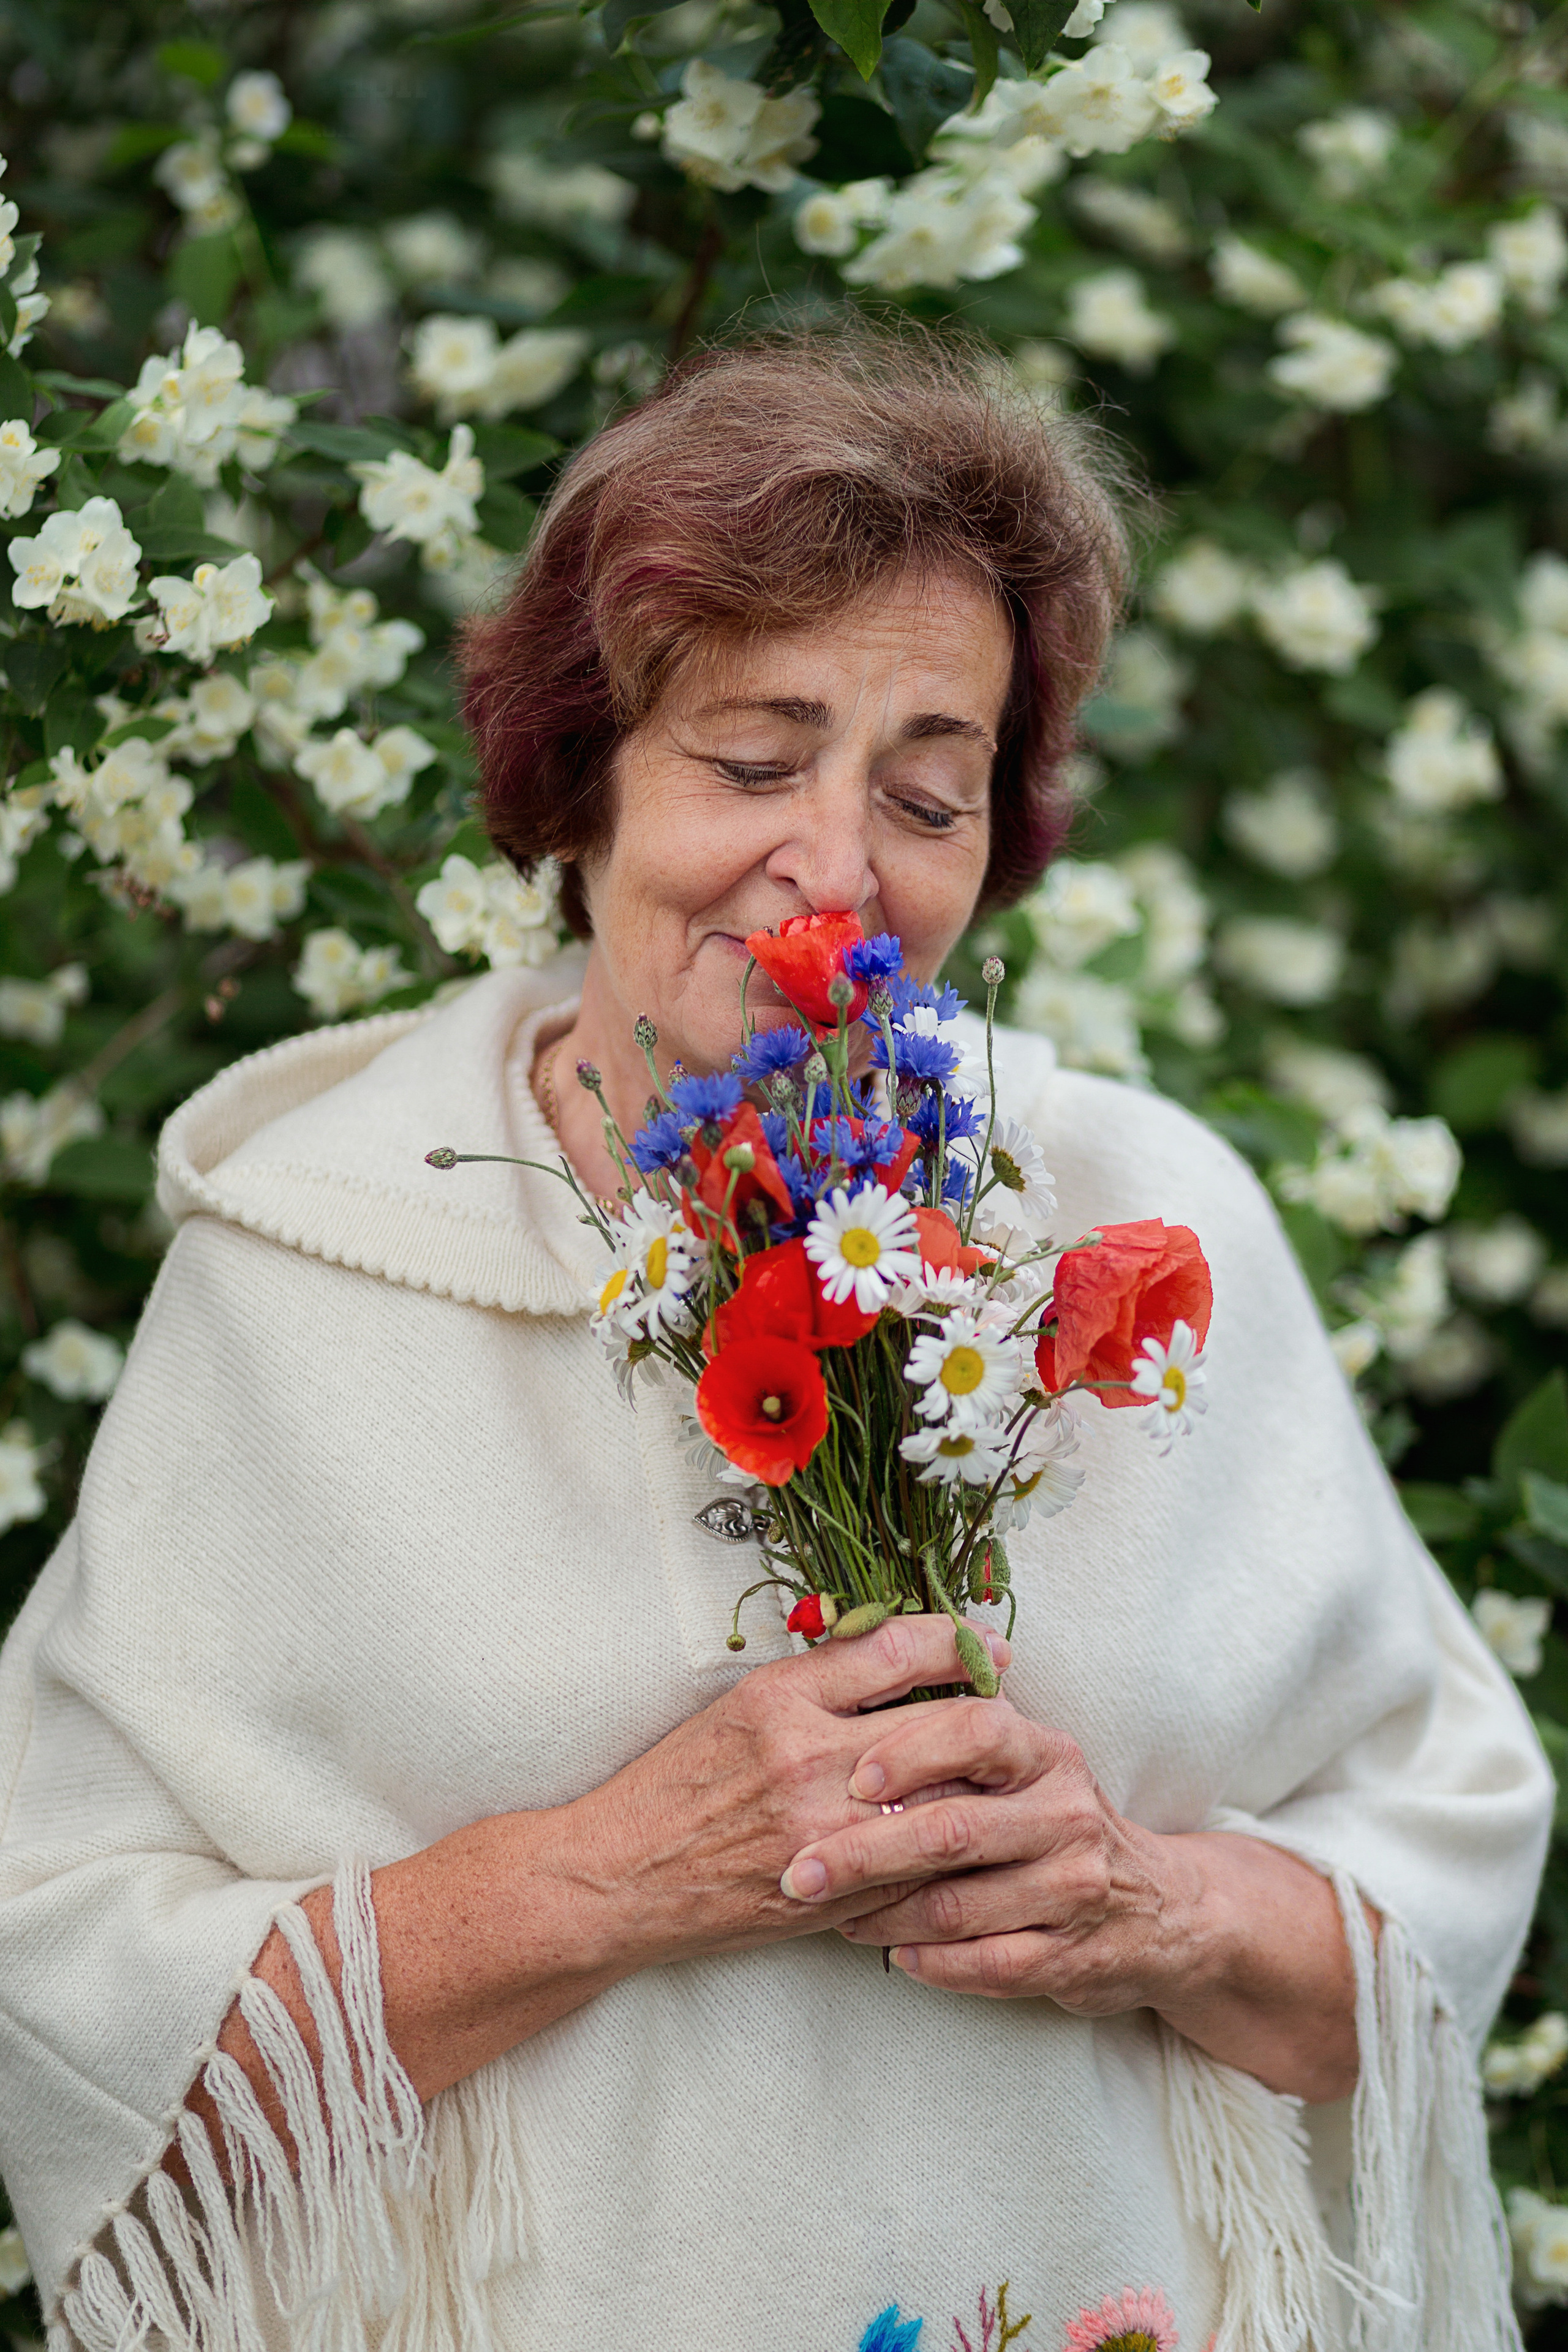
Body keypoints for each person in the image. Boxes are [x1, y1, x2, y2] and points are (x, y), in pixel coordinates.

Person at [0, 329, 1550, 2352]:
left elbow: (1433, 1878)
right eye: (750, 762)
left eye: (930, 788)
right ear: (581, 782)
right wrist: (603, 1879)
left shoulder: (1134, 1215)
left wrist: (1147, 1904)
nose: (842, 867)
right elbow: (66, 1974)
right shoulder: (314, 1266)